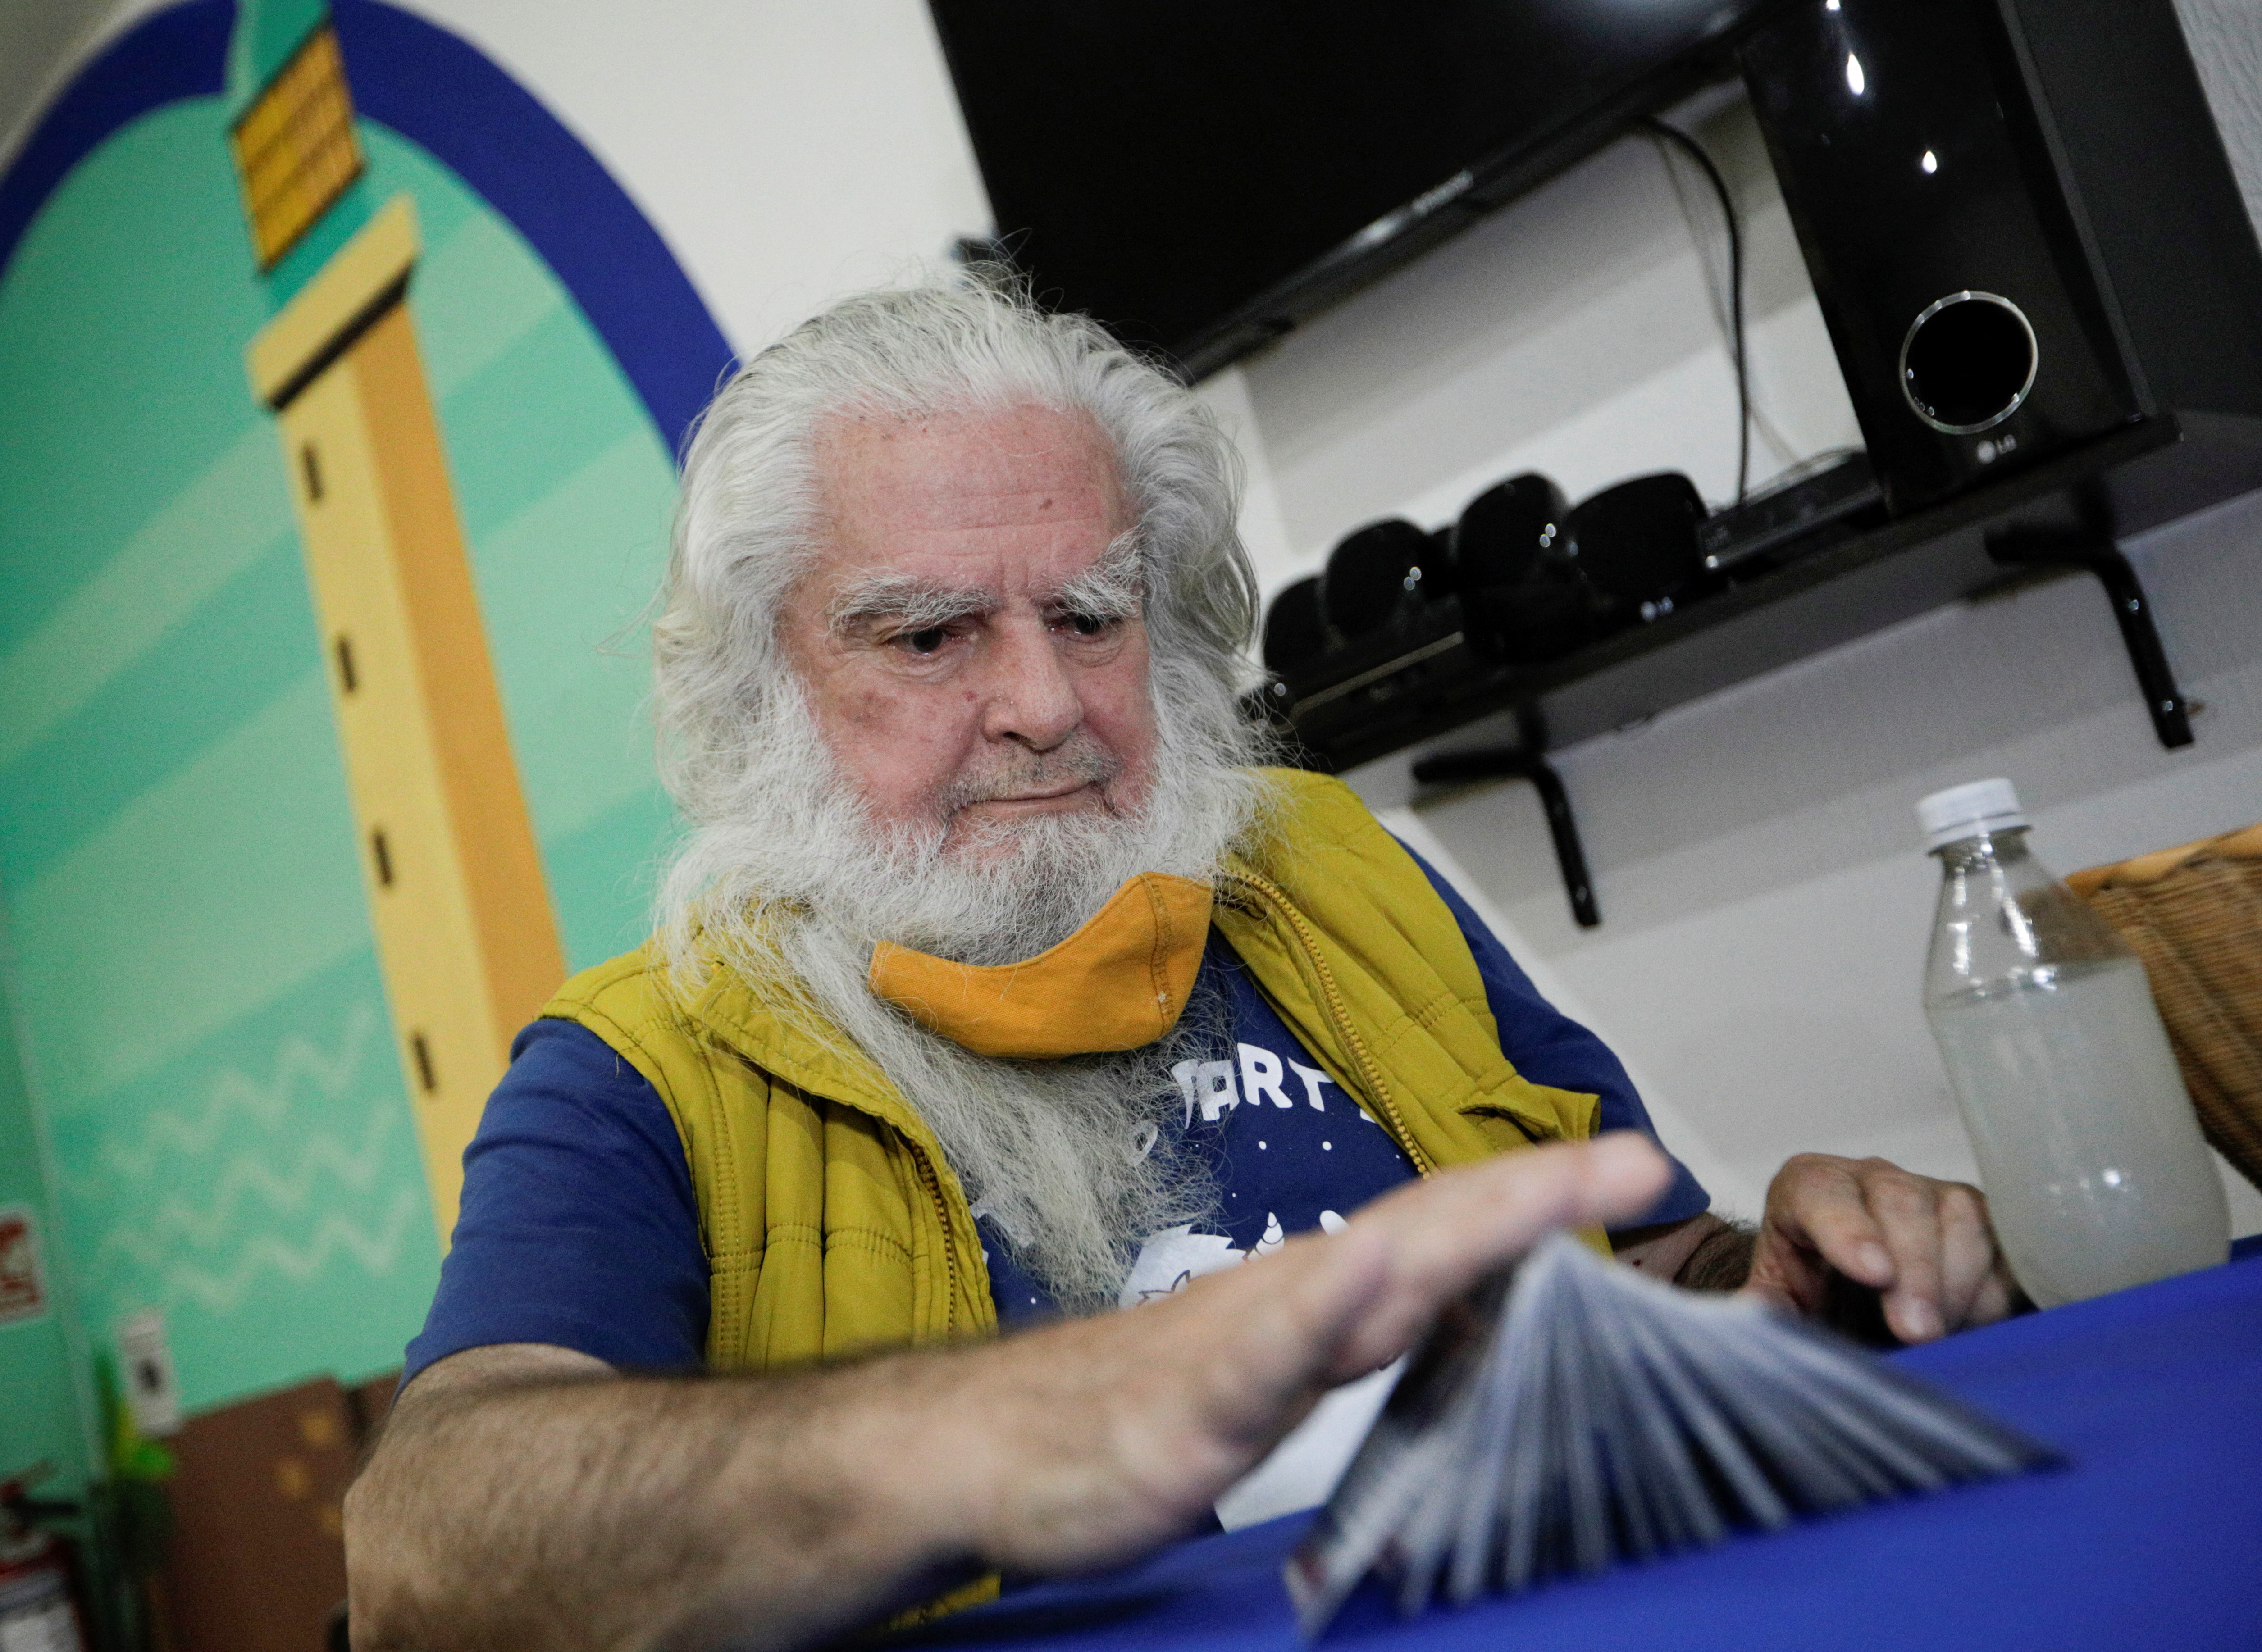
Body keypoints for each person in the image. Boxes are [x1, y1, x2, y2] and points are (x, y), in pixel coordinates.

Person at [344, 283, 2018, 1652]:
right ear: (756, 691)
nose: (1045, 706)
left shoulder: (1321, 863)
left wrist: (1769, 1294)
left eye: (1090, 614)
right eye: (929, 637)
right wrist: (1012, 1427)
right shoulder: (642, 1064)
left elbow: (1646, 1263)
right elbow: (428, 1554)